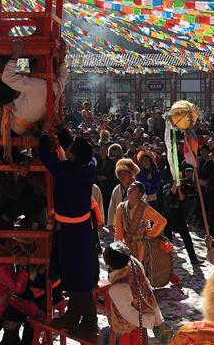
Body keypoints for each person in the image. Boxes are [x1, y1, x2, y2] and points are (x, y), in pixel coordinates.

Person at [38, 124, 99, 338]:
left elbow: (44, 155)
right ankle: (73, 316)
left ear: (72, 157)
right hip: (82, 227)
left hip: (70, 229)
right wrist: (63, 132)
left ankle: (90, 323)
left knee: (77, 276)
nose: (67, 150)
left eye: (69, 149)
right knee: (76, 274)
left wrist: (44, 135)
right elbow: (77, 151)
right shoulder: (89, 167)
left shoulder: (65, 170)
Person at [0, 41, 68, 160]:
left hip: (16, 127)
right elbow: (63, 76)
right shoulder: (57, 86)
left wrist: (16, 56)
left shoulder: (35, 85)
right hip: (39, 127)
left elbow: (7, 77)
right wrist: (61, 61)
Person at [102, 242, 172, 345]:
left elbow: (129, 314)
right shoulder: (134, 262)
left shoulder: (118, 287)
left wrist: (149, 321)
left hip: (130, 325)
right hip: (142, 313)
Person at [114, 181, 167, 264]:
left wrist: (150, 233)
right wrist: (118, 246)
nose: (129, 189)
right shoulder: (121, 207)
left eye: (133, 188)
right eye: (130, 187)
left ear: (140, 194)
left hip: (141, 246)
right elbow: (118, 230)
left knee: (140, 270)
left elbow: (162, 221)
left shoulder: (144, 208)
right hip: (126, 245)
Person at [163, 168, 201, 265]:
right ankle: (166, 261)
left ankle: (193, 259)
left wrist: (179, 188)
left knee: (187, 239)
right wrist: (175, 185)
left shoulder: (184, 187)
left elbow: (182, 199)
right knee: (167, 241)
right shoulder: (166, 186)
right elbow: (169, 195)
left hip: (179, 216)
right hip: (169, 217)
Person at [107, 157, 139, 227]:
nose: (122, 176)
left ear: (131, 175)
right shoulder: (116, 189)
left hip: (135, 227)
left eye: (125, 173)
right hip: (119, 226)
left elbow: (144, 208)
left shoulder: (138, 188)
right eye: (120, 173)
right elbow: (112, 207)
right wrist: (110, 224)